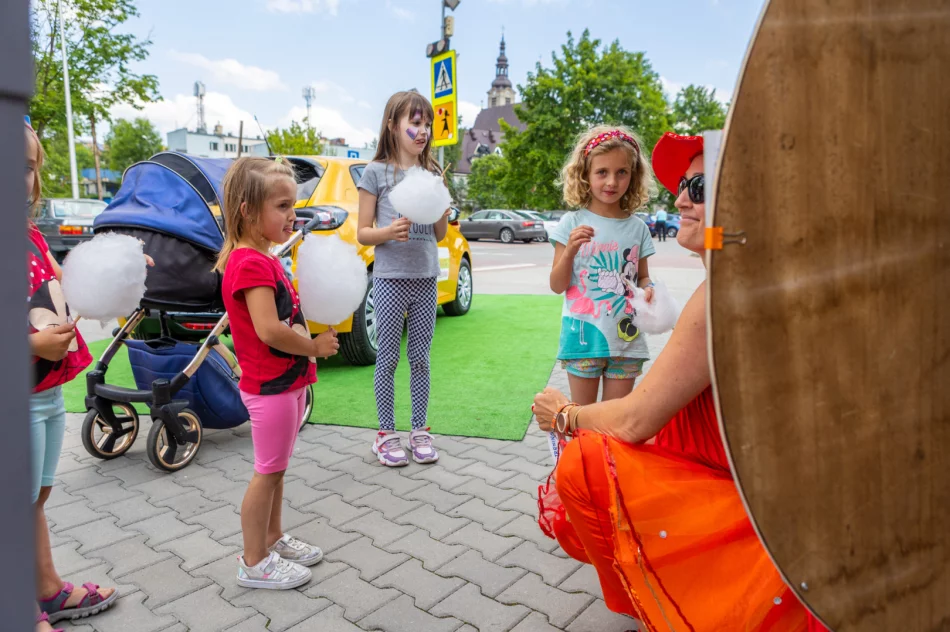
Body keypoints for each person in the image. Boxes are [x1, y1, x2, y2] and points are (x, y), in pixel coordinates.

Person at [533, 132, 826, 631]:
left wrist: (562, 414)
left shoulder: (726, 293)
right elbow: (560, 283)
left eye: (699, 186)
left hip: (751, 504)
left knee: (584, 459)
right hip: (757, 483)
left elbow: (633, 419)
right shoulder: (747, 273)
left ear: (743, 199)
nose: (680, 198)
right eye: (682, 185)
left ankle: (662, 590)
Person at [216, 156, 339, 590]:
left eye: (294, 204)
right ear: (249, 210)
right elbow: (269, 330)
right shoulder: (250, 263)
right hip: (269, 388)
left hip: (284, 385)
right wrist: (313, 347)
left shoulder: (264, 258)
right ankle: (253, 561)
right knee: (267, 471)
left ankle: (272, 538)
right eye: (283, 206)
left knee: (277, 468)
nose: (293, 215)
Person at [25, 119, 118, 632]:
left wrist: (117, 268)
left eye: (33, 168)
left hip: (46, 390)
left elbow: (68, 283)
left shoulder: (31, 236)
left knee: (35, 496)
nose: (28, 180)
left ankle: (45, 588)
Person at [356, 90, 450, 467]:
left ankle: (420, 431)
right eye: (414, 122)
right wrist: (387, 232)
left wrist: (442, 202)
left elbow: (440, 234)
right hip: (392, 278)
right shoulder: (376, 172)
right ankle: (385, 434)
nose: (422, 130)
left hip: (425, 277)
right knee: (389, 357)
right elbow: (362, 231)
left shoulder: (432, 173)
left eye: (426, 123)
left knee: (421, 358)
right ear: (393, 125)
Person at [549, 125, 657, 409]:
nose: (612, 181)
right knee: (583, 422)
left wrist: (649, 290)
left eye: (621, 172)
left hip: (627, 340)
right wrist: (570, 250)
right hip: (583, 341)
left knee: (614, 427)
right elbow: (557, 285)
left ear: (633, 176)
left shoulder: (638, 229)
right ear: (585, 175)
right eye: (602, 172)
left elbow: (643, 276)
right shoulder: (570, 224)